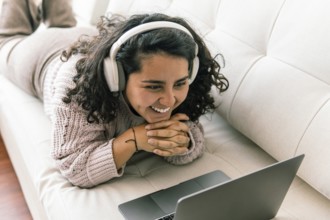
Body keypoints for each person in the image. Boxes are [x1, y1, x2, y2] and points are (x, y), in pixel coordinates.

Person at [0, 0, 229, 188]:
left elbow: (194, 135)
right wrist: (135, 140)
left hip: (85, 39)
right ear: (116, 76)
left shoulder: (172, 76)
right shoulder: (75, 88)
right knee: (8, 39)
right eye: (153, 86)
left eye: (180, 83)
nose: (170, 100)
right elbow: (73, 166)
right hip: (42, 56)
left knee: (63, 23)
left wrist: (183, 141)